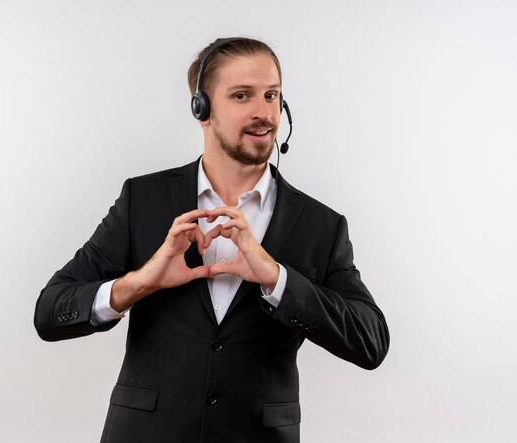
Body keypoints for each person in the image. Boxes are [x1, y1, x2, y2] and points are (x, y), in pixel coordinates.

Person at [34, 37, 389, 443]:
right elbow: (49, 312)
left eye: (272, 95)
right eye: (242, 95)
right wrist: (140, 283)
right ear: (201, 109)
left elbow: (371, 341)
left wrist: (277, 278)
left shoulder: (321, 225)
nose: (264, 113)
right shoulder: (143, 200)